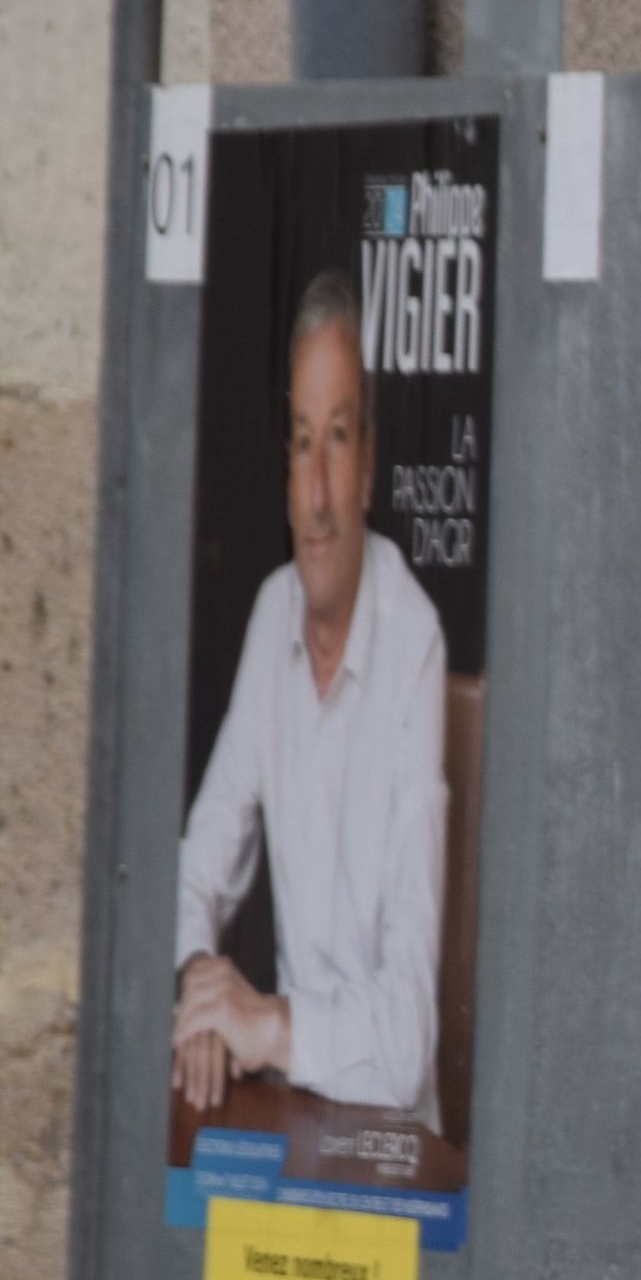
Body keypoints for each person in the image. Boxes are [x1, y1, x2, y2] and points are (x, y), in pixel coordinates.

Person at [174, 269, 449, 1117]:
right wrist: (202, 994)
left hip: (387, 1142)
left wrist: (268, 1025)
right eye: (301, 443)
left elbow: (403, 1047)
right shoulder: (273, 613)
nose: (319, 497)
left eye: (337, 438)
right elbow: (195, 869)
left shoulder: (414, 644)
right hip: (291, 1117)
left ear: (369, 466)